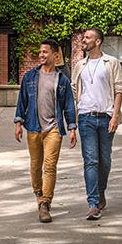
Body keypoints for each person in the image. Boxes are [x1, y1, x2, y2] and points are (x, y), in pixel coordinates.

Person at [14, 38, 77, 223]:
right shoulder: (30, 77)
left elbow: (69, 106)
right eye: (40, 52)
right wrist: (18, 123)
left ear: (55, 55)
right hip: (33, 126)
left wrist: (72, 127)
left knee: (49, 166)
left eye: (45, 52)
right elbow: (22, 101)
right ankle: (39, 193)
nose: (41, 55)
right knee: (35, 165)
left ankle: (45, 203)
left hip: (54, 128)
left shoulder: (62, 79)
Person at [71, 28, 122, 220]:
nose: (83, 40)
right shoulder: (80, 65)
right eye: (84, 37)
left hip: (106, 117)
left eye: (87, 37)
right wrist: (73, 123)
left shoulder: (111, 62)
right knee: (91, 160)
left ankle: (101, 190)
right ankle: (93, 203)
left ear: (98, 41)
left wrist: (115, 116)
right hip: (86, 117)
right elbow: (75, 92)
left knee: (105, 160)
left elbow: (119, 89)